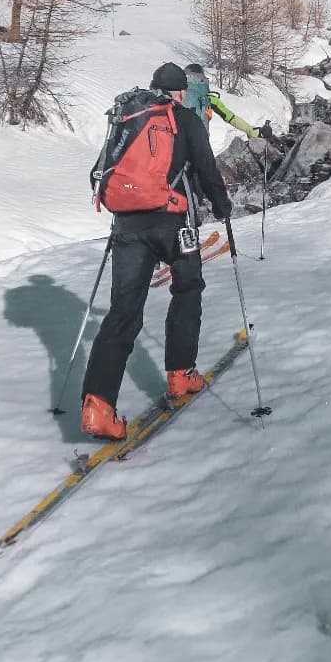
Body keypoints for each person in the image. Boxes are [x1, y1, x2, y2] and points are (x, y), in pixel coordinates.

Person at [79, 62, 234, 439]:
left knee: (123, 311)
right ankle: (181, 374)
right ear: (181, 92)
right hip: (173, 223)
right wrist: (221, 204)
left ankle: (98, 406)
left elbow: (101, 168)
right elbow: (206, 169)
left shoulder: (127, 115)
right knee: (187, 287)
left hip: (128, 226)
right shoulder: (184, 119)